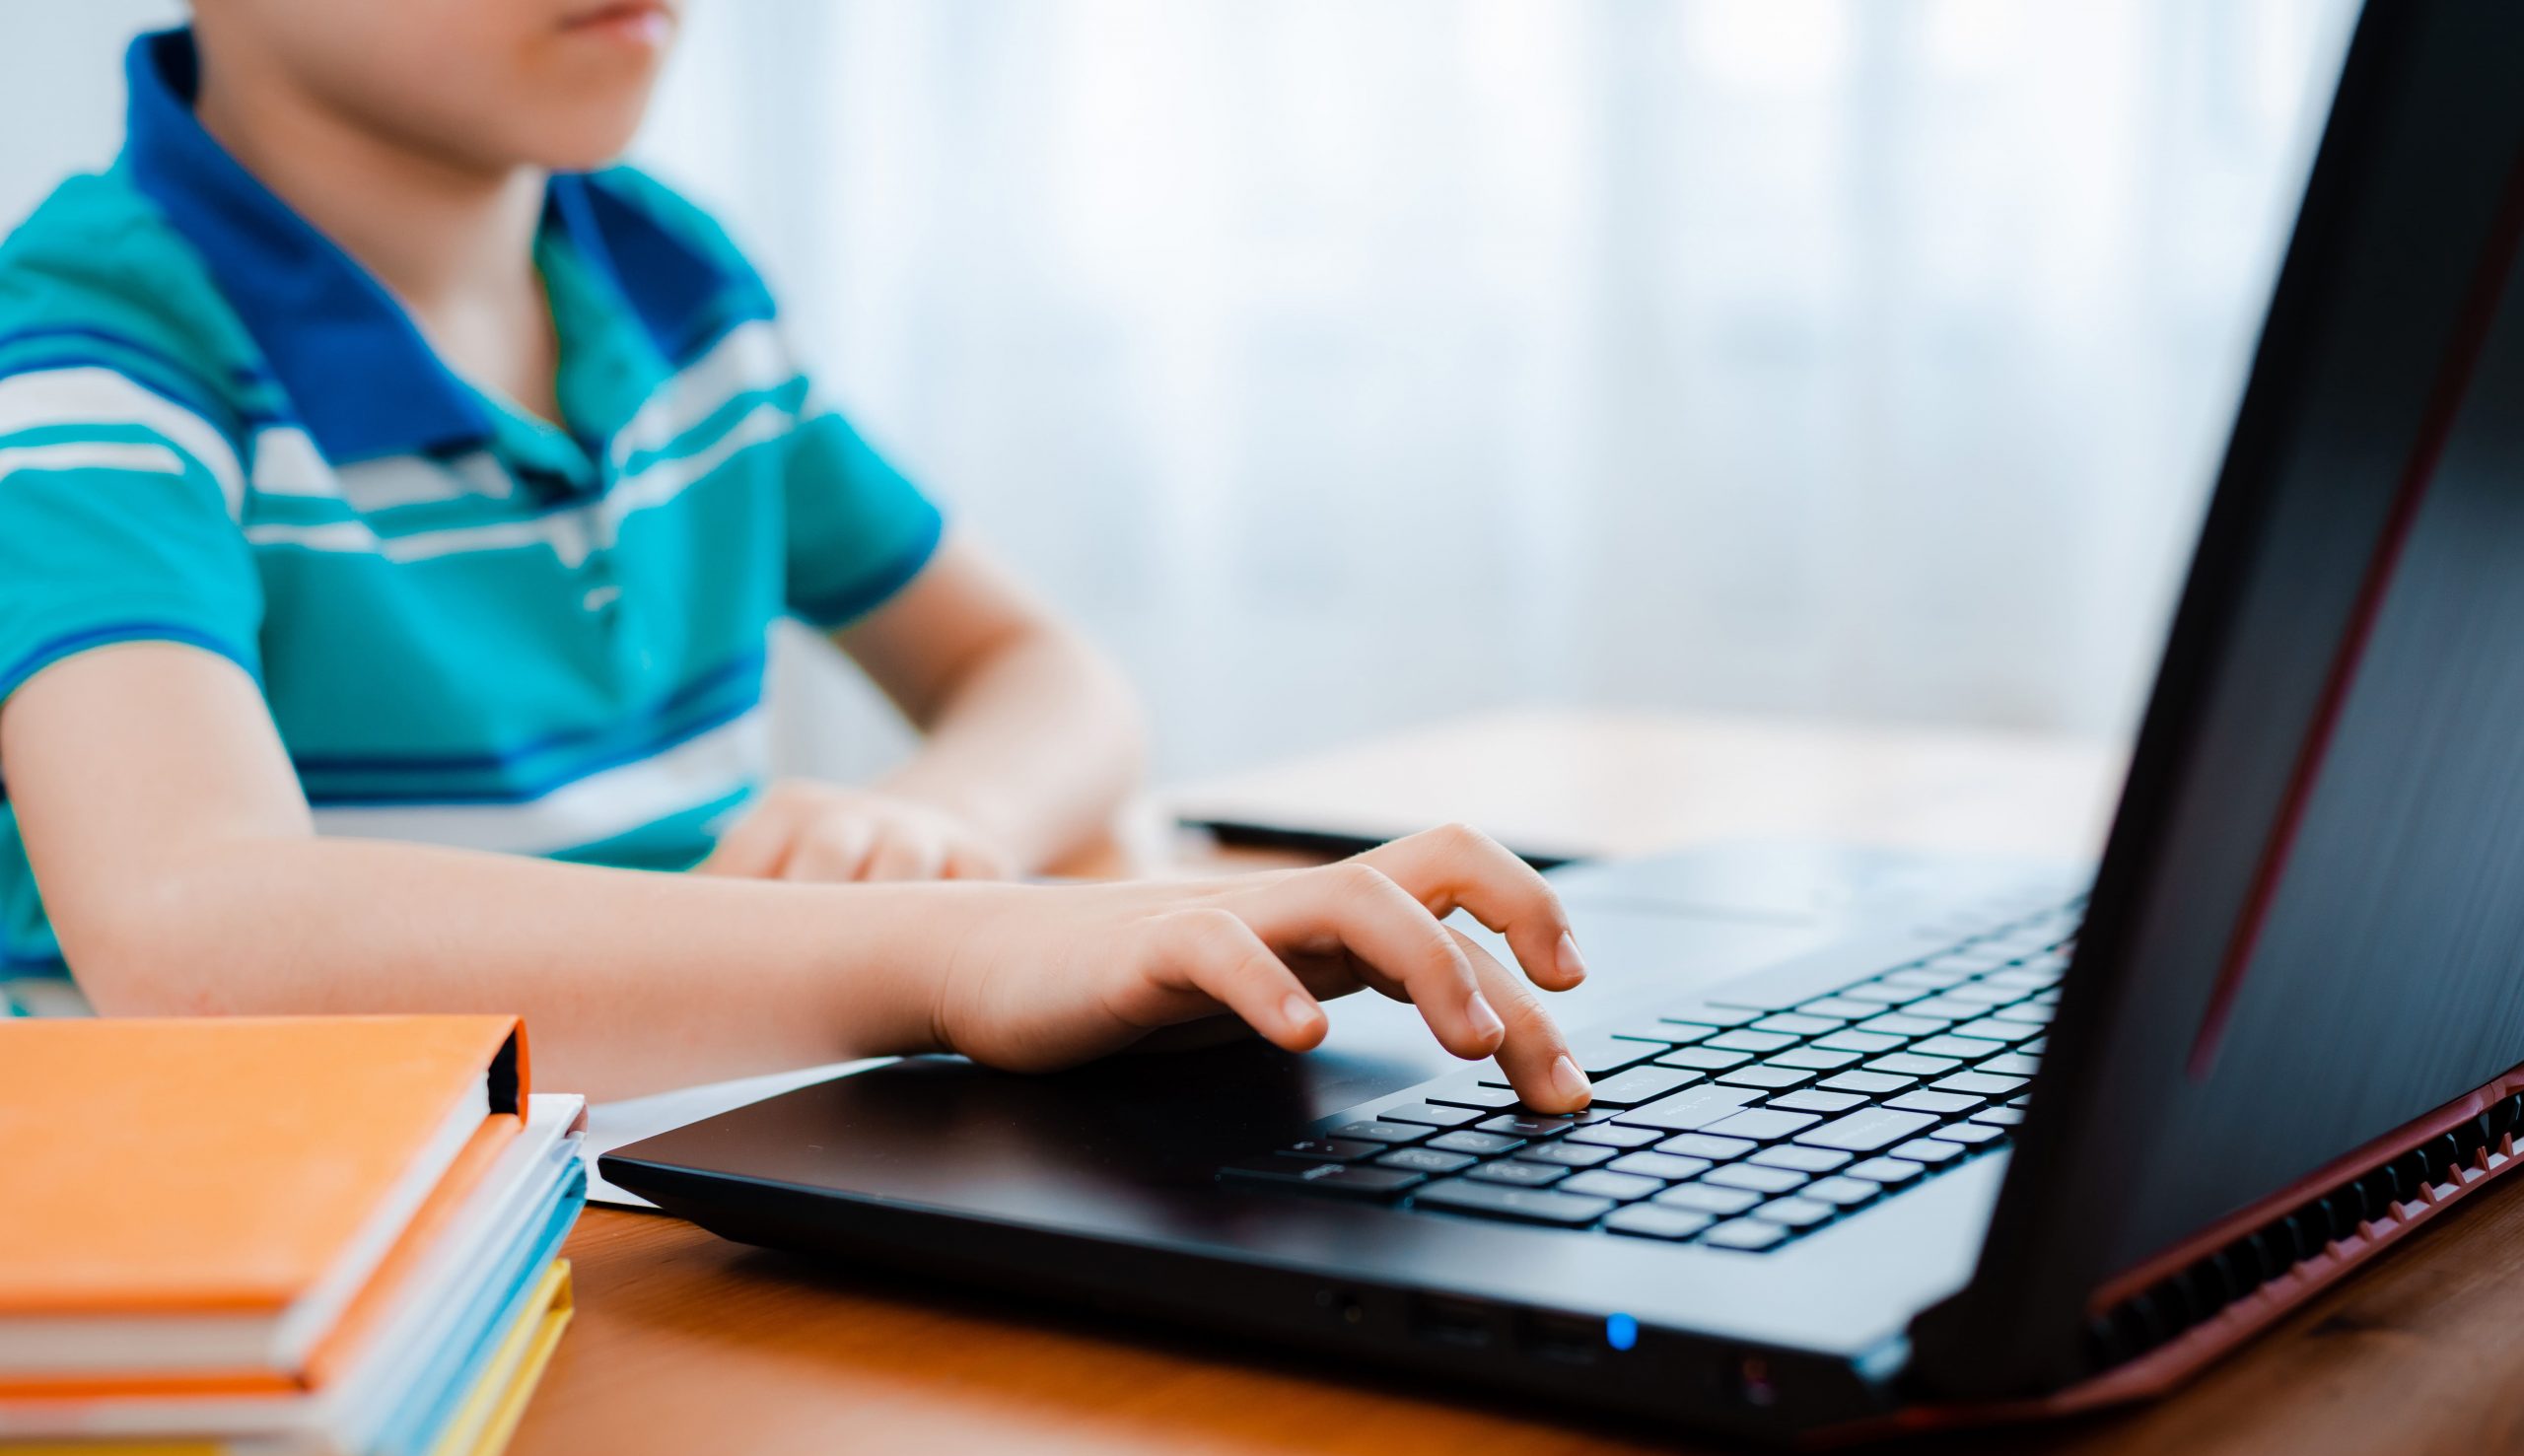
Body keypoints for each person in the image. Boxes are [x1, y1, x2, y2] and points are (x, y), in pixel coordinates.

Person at [0, 2, 1593, 1108]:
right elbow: (194, 935)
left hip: (670, 1153)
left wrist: (938, 826)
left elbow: (1046, 675)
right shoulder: (86, 356)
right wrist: (960, 951)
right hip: (327, 1269)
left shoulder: (672, 283)